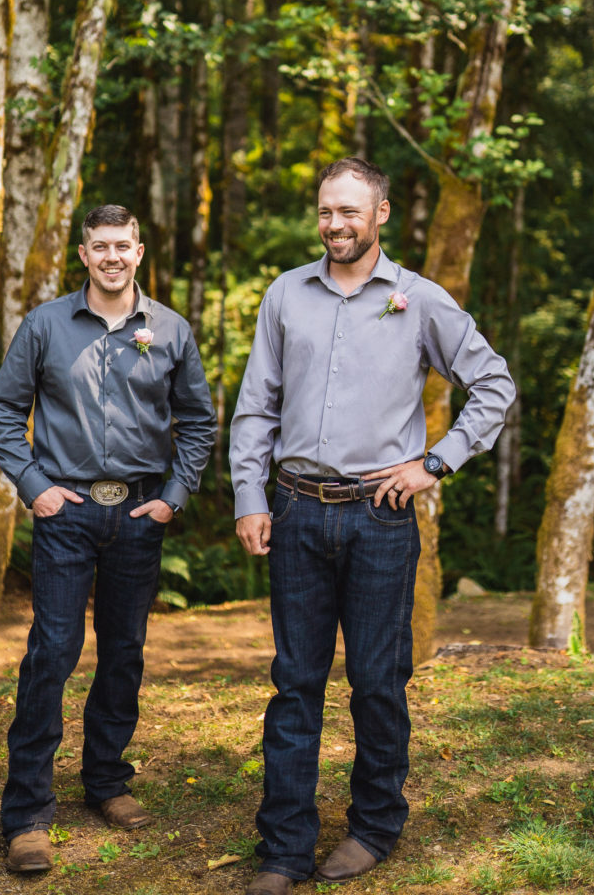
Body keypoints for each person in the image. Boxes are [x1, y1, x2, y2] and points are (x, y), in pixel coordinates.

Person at [230, 157, 515, 895]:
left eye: (350, 212)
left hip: (380, 518)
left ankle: (374, 827)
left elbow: (494, 383)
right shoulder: (285, 294)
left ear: (380, 213)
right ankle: (284, 849)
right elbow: (257, 404)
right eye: (327, 211)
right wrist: (249, 497)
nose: (336, 225)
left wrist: (436, 462)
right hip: (294, 511)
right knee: (295, 683)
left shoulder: (417, 300)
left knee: (378, 682)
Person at [0, 204, 215, 873]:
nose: (112, 256)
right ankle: (27, 813)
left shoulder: (170, 329)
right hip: (66, 512)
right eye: (100, 247)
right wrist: (36, 486)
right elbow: (3, 409)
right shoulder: (45, 325)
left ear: (139, 252)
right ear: (83, 255)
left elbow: (198, 420)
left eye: (123, 245)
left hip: (139, 514)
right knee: (52, 652)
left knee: (123, 651)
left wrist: (174, 495)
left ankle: (107, 781)